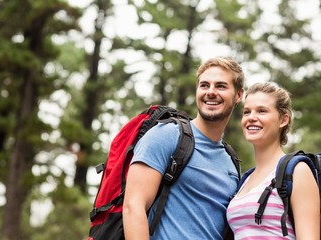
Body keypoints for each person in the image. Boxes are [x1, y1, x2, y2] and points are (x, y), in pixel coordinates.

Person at [122, 57, 245, 239]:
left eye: (221, 86)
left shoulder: (231, 162)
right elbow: (133, 206)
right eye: (204, 85)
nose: (211, 92)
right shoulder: (167, 135)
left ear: (239, 95)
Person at [227, 82, 320, 239]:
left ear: (283, 120)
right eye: (247, 112)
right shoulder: (245, 180)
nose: (251, 118)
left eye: (262, 111)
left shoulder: (298, 170)